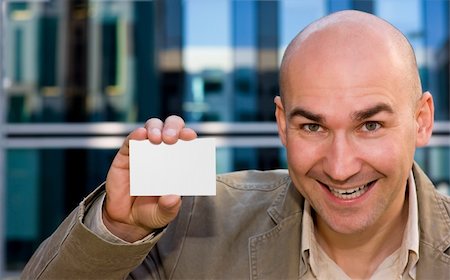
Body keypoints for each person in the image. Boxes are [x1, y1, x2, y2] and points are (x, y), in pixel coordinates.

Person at [22, 10, 450, 279]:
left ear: (421, 121)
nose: (339, 167)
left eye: (370, 125)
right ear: (282, 124)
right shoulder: (191, 228)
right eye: (312, 128)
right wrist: (119, 228)